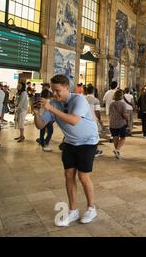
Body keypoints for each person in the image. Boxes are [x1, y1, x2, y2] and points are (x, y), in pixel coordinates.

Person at [33, 74, 99, 226]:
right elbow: (40, 125)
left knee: (83, 176)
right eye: (53, 91)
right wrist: (37, 113)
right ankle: (73, 210)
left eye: (58, 91)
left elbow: (74, 120)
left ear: (67, 88)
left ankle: (91, 208)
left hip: (88, 141)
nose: (54, 94)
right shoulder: (54, 104)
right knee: (69, 175)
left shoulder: (79, 99)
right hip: (70, 142)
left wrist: (50, 108)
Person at [109, 90, 128, 159]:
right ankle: (117, 150)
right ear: (121, 96)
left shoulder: (111, 104)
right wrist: (128, 118)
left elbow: (110, 114)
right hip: (121, 124)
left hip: (112, 124)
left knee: (115, 137)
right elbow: (124, 114)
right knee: (123, 138)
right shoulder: (123, 104)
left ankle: (117, 152)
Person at [85, 85, 103, 157]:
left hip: (83, 120)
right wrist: (100, 120)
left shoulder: (83, 98)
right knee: (95, 136)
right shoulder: (95, 100)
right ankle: (95, 151)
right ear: (94, 91)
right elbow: (97, 111)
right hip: (93, 120)